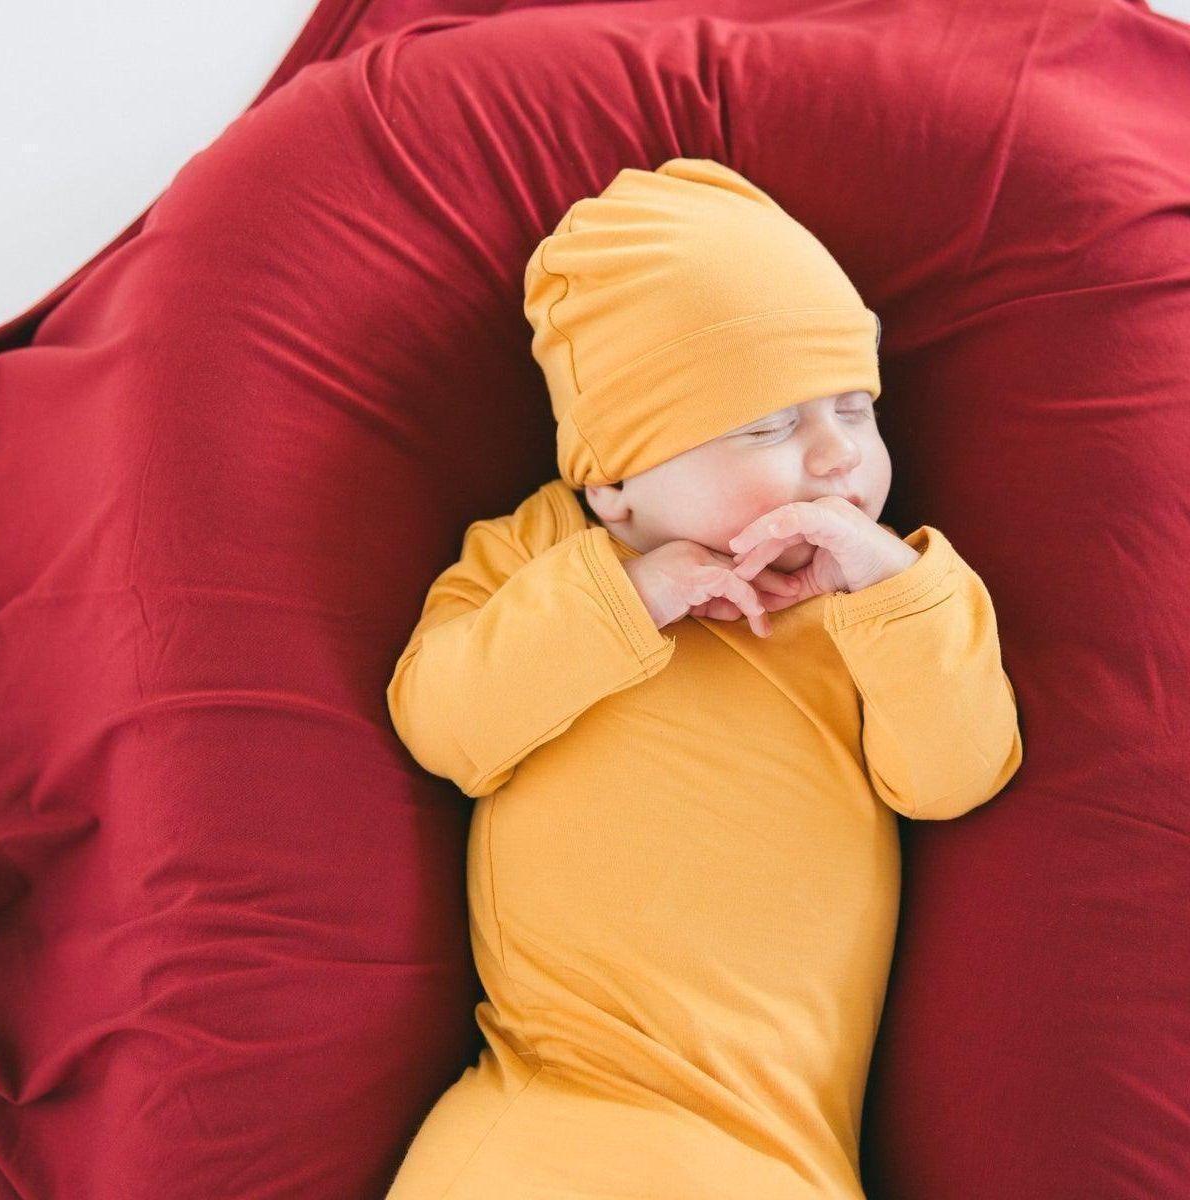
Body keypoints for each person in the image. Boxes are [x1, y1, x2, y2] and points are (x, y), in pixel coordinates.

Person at [385, 157, 1024, 1199]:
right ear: (615, 486)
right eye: (768, 425)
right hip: (561, 1101)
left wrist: (892, 589)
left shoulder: (873, 600)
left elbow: (954, 776)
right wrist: (625, 598)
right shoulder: (542, 553)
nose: (836, 458)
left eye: (855, 410)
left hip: (778, 1146)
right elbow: (443, 727)